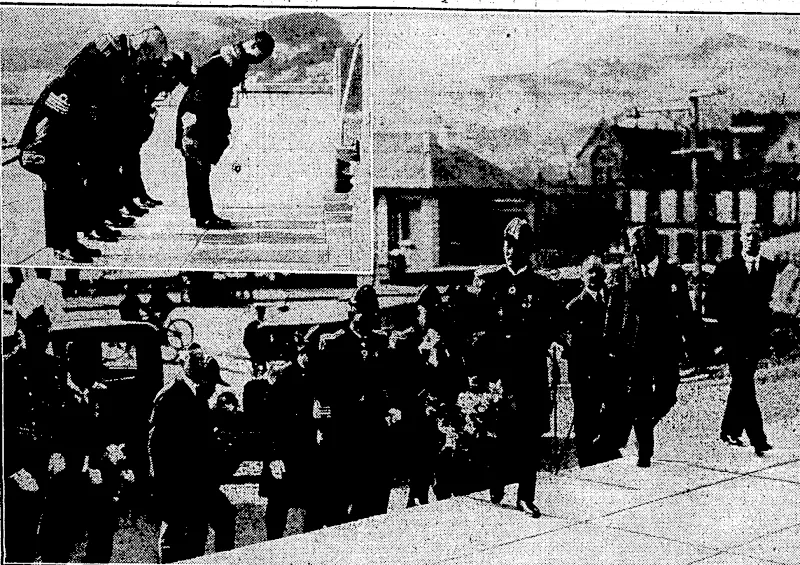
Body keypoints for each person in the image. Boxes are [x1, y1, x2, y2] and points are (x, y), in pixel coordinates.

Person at [16, 25, 169, 260]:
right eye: (149, 56)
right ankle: (63, 244)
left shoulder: (125, 57)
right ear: (144, 48)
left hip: (81, 121)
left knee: (81, 176)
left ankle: (80, 232)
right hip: (58, 120)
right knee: (63, 178)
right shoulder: (108, 51)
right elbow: (71, 82)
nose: (148, 62)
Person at [472, 217, 561, 516]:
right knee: (499, 434)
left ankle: (526, 494)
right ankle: (496, 483)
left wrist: (554, 343)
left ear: (528, 250)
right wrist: (481, 374)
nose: (509, 251)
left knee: (529, 436)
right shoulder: (490, 284)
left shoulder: (543, 287)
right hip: (498, 374)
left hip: (529, 372)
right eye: (506, 245)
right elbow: (478, 332)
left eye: (516, 246)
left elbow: (554, 326)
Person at [307, 285, 400, 528]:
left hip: (374, 431)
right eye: (360, 312)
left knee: (374, 500)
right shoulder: (333, 344)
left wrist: (391, 407)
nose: (366, 318)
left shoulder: (381, 343)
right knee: (338, 501)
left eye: (371, 314)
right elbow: (319, 388)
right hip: (343, 431)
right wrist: (323, 424)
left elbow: (389, 382)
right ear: (351, 312)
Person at [38, 341, 134, 563]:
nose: (93, 372)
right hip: (65, 485)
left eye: (95, 365)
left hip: (99, 484)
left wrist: (116, 458)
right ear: (71, 365)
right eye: (87, 366)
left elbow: (115, 435)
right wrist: (80, 463)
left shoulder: (104, 395)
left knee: (100, 545)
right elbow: (49, 439)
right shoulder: (54, 395)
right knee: (56, 548)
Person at [176, 31, 275, 229]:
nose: (259, 61)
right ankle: (204, 217)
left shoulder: (233, 61)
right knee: (198, 170)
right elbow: (197, 95)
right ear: (254, 46)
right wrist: (189, 131)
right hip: (195, 123)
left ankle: (204, 214)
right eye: (261, 56)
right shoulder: (220, 63)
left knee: (201, 170)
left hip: (203, 120)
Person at [614, 225, 694, 468]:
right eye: (632, 247)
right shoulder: (625, 273)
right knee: (640, 398)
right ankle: (645, 453)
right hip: (635, 348)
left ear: (652, 245)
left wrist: (691, 344)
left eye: (638, 246)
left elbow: (685, 312)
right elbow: (615, 310)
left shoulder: (673, 274)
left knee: (668, 395)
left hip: (666, 347)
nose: (634, 251)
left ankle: (643, 424)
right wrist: (612, 344)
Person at [148, 343, 235, 563]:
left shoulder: (198, 398)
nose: (215, 390)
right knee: (176, 537)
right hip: (178, 485)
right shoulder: (170, 397)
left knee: (218, 521)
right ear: (202, 379)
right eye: (213, 384)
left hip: (199, 484)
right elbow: (156, 447)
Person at [711, 222, 779, 456]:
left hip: (756, 338)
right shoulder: (727, 268)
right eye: (747, 235)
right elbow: (714, 304)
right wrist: (721, 338)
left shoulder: (770, 268)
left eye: (756, 235)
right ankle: (757, 438)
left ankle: (729, 429)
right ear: (740, 238)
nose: (751, 239)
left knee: (741, 383)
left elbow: (770, 305)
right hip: (733, 338)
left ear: (762, 238)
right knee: (745, 384)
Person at [3, 307, 65, 563]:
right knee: (20, 541)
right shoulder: (8, 368)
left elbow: (60, 416)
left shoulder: (53, 366)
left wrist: (59, 450)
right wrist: (15, 470)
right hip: (19, 467)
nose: (43, 339)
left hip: (49, 463)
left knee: (55, 537)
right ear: (22, 333)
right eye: (36, 333)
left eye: (46, 334)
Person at [564, 255, 625, 467]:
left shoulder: (613, 301)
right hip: (584, 373)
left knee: (616, 412)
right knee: (584, 417)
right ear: (582, 276)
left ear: (603, 275)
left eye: (597, 272)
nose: (593, 276)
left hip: (609, 370)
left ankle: (604, 448)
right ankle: (585, 460)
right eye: (588, 272)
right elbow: (570, 345)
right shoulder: (574, 307)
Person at [243, 304, 270, 376]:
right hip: (257, 347)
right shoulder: (252, 326)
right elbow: (246, 341)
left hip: (258, 348)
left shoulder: (257, 325)